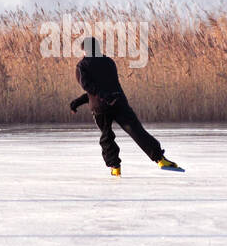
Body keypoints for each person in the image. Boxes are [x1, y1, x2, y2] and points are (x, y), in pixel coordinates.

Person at [69, 36, 182, 176]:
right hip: (118, 102)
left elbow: (89, 87)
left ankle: (115, 167)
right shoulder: (109, 62)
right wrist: (81, 101)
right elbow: (105, 86)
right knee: (136, 131)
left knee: (106, 136)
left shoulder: (82, 66)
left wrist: (95, 99)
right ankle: (160, 159)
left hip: (100, 108)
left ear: (85, 50)